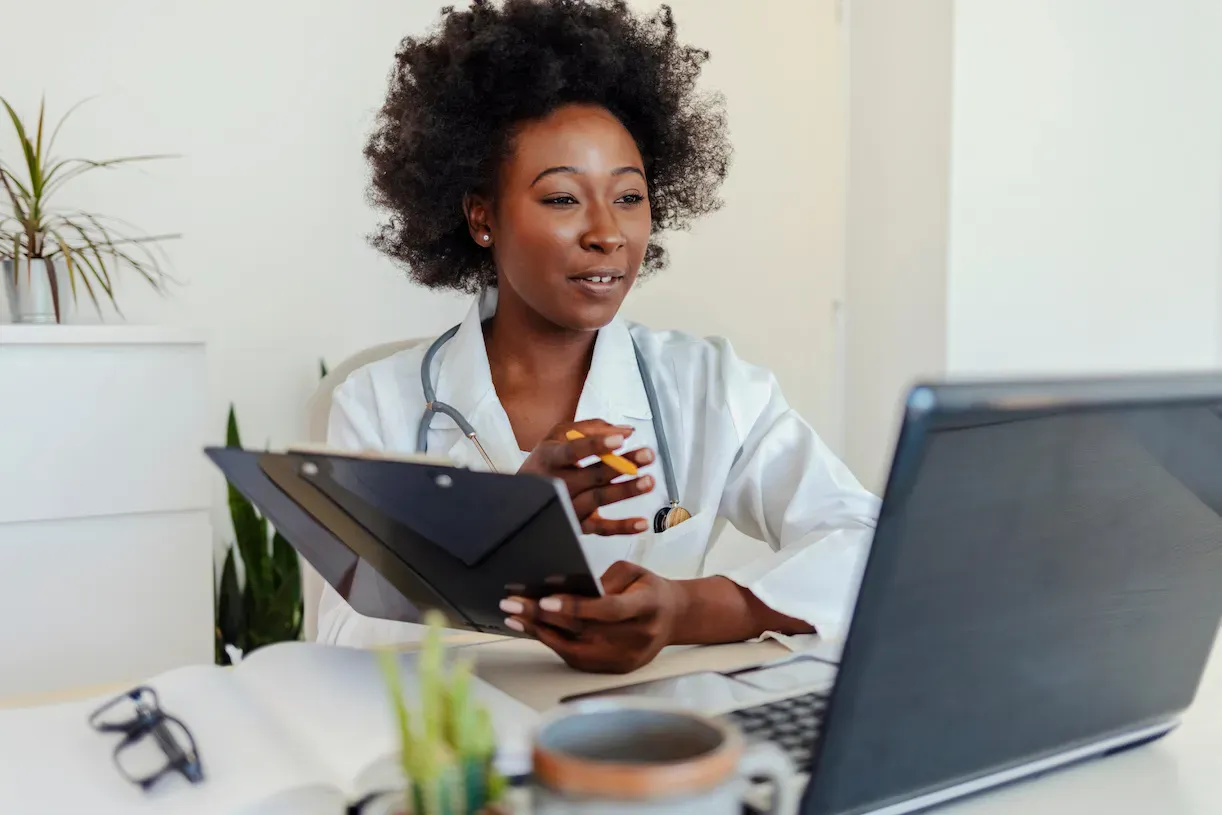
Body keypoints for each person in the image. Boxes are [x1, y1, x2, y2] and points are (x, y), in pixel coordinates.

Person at [319, 0, 880, 673]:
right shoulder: (378, 403)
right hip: (464, 755)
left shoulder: (711, 386)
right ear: (481, 216)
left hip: (648, 741)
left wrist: (688, 611)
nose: (607, 232)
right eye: (562, 198)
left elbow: (870, 540)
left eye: (629, 196)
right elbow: (343, 641)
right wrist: (504, 527)